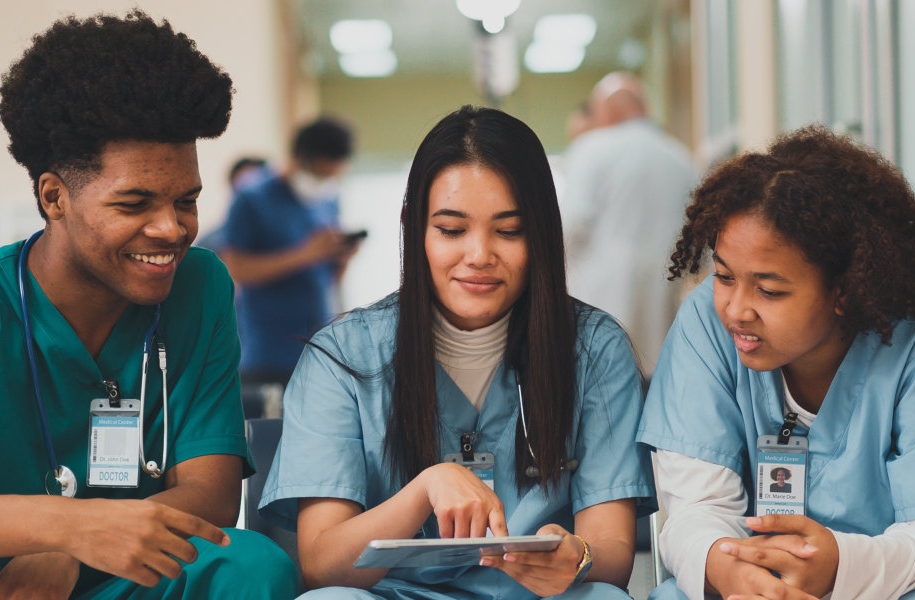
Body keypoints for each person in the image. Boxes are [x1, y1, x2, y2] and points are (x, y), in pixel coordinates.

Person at [0, 11, 297, 599]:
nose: (171, 228)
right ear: (54, 197)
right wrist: (67, 528)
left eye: (186, 200)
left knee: (250, 566)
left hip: (110, 577)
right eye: (135, 202)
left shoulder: (198, 287)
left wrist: (77, 552)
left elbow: (212, 494)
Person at [637, 126, 915, 600]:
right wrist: (729, 570)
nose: (736, 309)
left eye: (770, 290)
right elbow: (697, 508)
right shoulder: (706, 327)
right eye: (725, 276)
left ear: (844, 290)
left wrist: (837, 569)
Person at [258, 106, 652, 600]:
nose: (480, 254)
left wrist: (579, 558)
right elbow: (322, 566)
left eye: (509, 230)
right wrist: (424, 489)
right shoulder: (342, 355)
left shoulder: (594, 349)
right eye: (451, 229)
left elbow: (612, 553)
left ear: (543, 233)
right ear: (414, 228)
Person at [199, 118, 361, 417]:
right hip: (267, 354)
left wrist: (340, 261)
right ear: (301, 159)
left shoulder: (326, 199)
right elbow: (234, 267)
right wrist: (304, 254)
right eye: (320, 173)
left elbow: (325, 277)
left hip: (318, 349)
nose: (324, 181)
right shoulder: (252, 198)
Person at [560, 72, 698, 373]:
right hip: (662, 323)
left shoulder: (593, 148)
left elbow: (569, 227)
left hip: (597, 316)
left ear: (605, 111)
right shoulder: (683, 160)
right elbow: (699, 249)